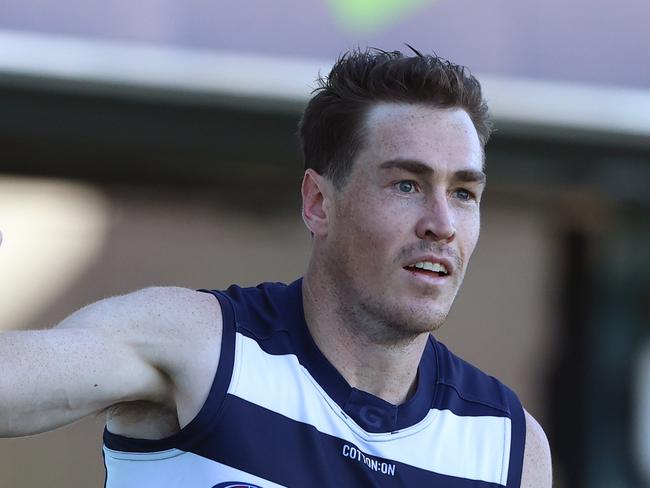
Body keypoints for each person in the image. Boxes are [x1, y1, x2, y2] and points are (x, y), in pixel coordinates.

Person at [0, 48, 552, 487]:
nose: (442, 223)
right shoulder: (199, 346)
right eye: (406, 185)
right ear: (318, 202)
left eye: (463, 193)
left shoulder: (508, 446)